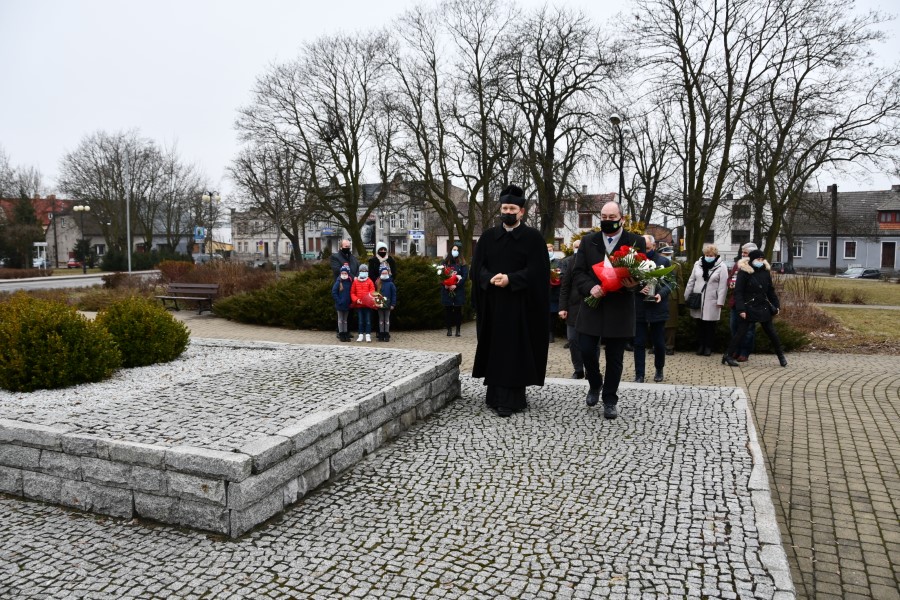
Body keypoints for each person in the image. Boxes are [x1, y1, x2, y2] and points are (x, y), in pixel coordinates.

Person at [471, 184, 550, 418]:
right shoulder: (487, 238)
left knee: (514, 350)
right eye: (504, 207)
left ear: (521, 212)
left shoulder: (533, 238)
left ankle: (512, 399)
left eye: (512, 208)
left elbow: (538, 271)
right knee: (495, 348)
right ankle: (494, 395)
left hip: (520, 307)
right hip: (493, 305)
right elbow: (477, 268)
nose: (508, 211)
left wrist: (511, 279)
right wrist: (489, 279)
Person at [571, 201, 647, 419]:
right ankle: (595, 383)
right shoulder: (588, 241)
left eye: (612, 217)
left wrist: (634, 283)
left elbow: (643, 274)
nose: (607, 221)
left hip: (620, 308)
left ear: (621, 218)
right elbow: (578, 273)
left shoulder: (635, 241)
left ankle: (610, 399)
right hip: (592, 304)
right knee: (585, 349)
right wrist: (590, 287)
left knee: (615, 357)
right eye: (603, 217)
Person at [723, 250, 787, 368]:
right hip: (748, 307)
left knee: (772, 333)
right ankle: (728, 356)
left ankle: (781, 356)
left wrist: (777, 305)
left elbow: (770, 291)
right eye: (758, 259)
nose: (760, 261)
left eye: (762, 259)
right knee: (740, 333)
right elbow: (738, 292)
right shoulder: (743, 272)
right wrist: (741, 309)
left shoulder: (765, 272)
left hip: (763, 306)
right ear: (752, 260)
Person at [633, 235, 672, 383]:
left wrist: (660, 294)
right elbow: (627, 282)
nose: (645, 251)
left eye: (648, 248)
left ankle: (659, 369)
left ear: (654, 247)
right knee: (639, 342)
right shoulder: (634, 262)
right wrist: (638, 289)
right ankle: (639, 374)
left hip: (657, 306)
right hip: (640, 307)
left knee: (659, 342)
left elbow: (671, 283)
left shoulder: (663, 261)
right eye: (643, 248)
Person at [684, 243, 729, 357]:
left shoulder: (721, 266)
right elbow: (691, 281)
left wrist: (720, 301)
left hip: (712, 300)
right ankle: (700, 346)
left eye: (711, 255)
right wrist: (687, 296)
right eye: (707, 254)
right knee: (699, 324)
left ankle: (708, 347)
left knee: (710, 325)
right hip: (698, 299)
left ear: (715, 255)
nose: (709, 256)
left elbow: (723, 285)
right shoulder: (697, 264)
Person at [558, 239, 587, 379]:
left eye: (579, 246)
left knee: (590, 343)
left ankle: (591, 369)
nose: (577, 249)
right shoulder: (571, 262)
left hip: (590, 306)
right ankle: (578, 369)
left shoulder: (593, 260)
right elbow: (565, 287)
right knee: (573, 340)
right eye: (575, 247)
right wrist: (562, 307)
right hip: (573, 307)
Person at [727, 242, 758, 362]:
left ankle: (745, 352)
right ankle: (735, 350)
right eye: (742, 252)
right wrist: (730, 283)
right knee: (734, 327)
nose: (743, 254)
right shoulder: (737, 265)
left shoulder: (756, 267)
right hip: (735, 302)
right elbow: (730, 277)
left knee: (748, 330)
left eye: (746, 253)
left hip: (749, 303)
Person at [440, 244, 468, 337]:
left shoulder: (462, 264)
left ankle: (458, 330)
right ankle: (449, 329)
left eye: (456, 250)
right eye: (453, 249)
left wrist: (456, 285)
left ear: (459, 252)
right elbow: (440, 275)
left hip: (458, 291)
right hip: (447, 291)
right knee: (448, 311)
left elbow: (464, 277)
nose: (454, 251)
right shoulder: (445, 262)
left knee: (457, 311)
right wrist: (446, 285)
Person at [658, 244, 680, 355]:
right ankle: (656, 345)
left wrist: (681, 300)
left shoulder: (676, 266)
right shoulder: (654, 264)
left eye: (669, 255)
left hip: (671, 296)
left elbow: (679, 282)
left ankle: (669, 346)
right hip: (656, 294)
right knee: (656, 321)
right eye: (665, 254)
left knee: (671, 324)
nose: (667, 256)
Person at [350, 264, 375, 342]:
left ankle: (368, 335)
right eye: (361, 271)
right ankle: (360, 334)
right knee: (360, 321)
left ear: (367, 272)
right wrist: (356, 300)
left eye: (365, 271)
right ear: (359, 272)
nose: (363, 272)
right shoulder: (355, 281)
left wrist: (367, 299)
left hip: (367, 305)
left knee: (368, 321)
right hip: (359, 305)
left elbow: (372, 291)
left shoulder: (370, 281)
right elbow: (352, 293)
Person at [375, 265, 397, 342]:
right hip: (380, 305)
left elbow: (394, 294)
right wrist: (376, 303)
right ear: (380, 273)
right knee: (381, 319)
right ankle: (381, 333)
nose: (384, 274)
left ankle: (386, 334)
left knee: (386, 320)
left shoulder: (391, 284)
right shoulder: (378, 283)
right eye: (383, 273)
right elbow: (375, 294)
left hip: (388, 305)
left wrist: (393, 304)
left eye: (386, 273)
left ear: (388, 273)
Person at [331, 265, 353, 342]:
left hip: (347, 305)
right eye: (342, 273)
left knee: (345, 320)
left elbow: (351, 292)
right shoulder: (338, 282)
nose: (344, 274)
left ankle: (345, 333)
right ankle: (341, 334)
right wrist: (339, 301)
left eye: (345, 273)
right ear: (340, 273)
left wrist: (350, 301)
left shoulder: (349, 282)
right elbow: (334, 292)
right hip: (340, 305)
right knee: (340, 319)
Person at [548, 244, 562, 342]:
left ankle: (551, 333)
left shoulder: (558, 262)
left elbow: (560, 274)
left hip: (554, 292)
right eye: (547, 249)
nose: (549, 250)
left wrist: (555, 278)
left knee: (552, 314)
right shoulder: (541, 260)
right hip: (544, 293)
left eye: (550, 249)